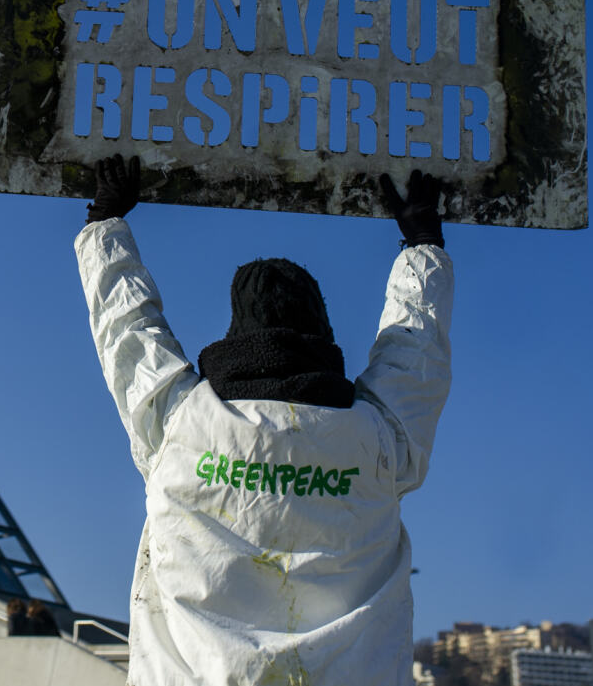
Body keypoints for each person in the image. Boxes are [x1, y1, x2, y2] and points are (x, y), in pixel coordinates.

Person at [75, 155, 453, 686]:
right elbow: (415, 356)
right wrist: (422, 245)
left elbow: (128, 334)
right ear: (321, 332)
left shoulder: (181, 422)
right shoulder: (378, 442)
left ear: (236, 334)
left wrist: (104, 225)